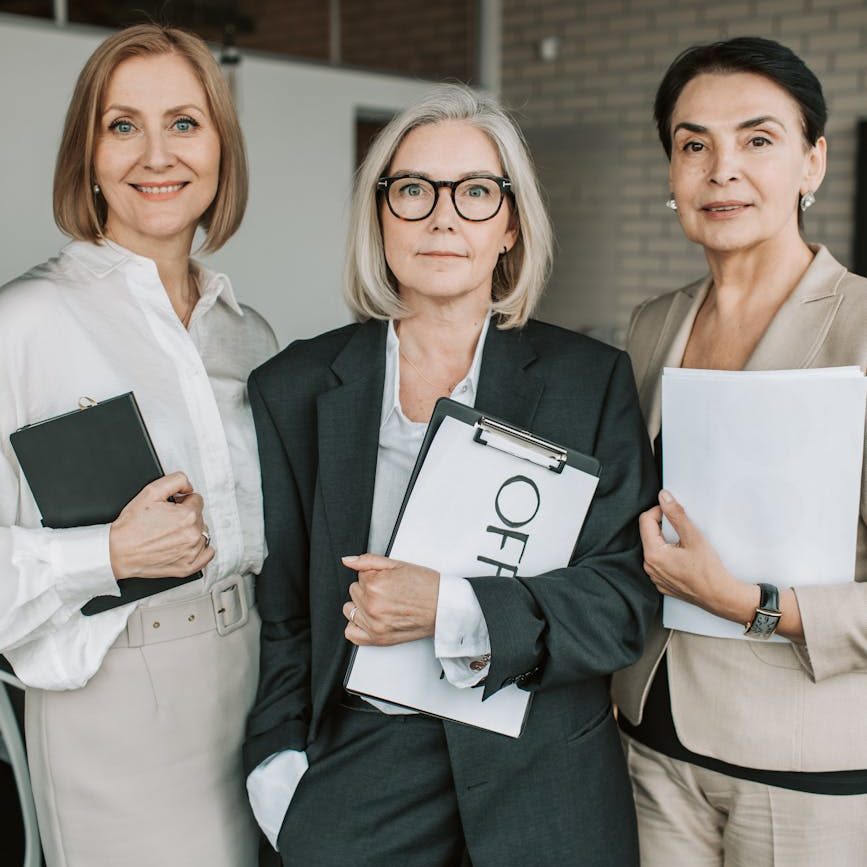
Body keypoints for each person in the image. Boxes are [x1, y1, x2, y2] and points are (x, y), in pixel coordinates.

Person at [243, 84, 658, 867]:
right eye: (412, 190)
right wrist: (276, 769)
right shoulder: (293, 386)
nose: (441, 216)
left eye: (473, 192)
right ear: (380, 216)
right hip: (360, 776)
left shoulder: (589, 380)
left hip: (543, 774)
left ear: (508, 225)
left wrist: (454, 606)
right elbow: (283, 615)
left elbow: (624, 600)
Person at [0, 24, 277, 867]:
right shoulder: (25, 325)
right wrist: (106, 551)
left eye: (185, 123)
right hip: (110, 698)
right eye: (123, 125)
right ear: (87, 154)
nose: (156, 154)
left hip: (253, 679)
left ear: (221, 149)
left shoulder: (251, 336)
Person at [612, 37, 867, 865]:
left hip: (798, 761)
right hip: (651, 741)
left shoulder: (861, 324)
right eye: (693, 145)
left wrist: (753, 603)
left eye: (756, 139)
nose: (721, 169)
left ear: (811, 162)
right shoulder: (653, 323)